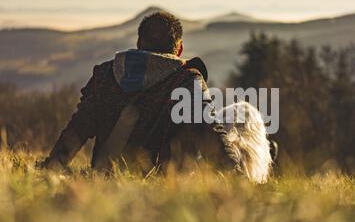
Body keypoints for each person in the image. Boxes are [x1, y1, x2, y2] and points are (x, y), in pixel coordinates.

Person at [41, 12, 240, 174]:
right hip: (166, 189)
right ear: (179, 50)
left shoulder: (104, 74)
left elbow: (78, 128)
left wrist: (51, 167)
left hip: (107, 182)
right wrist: (236, 176)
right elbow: (209, 133)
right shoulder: (186, 80)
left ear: (138, 43)